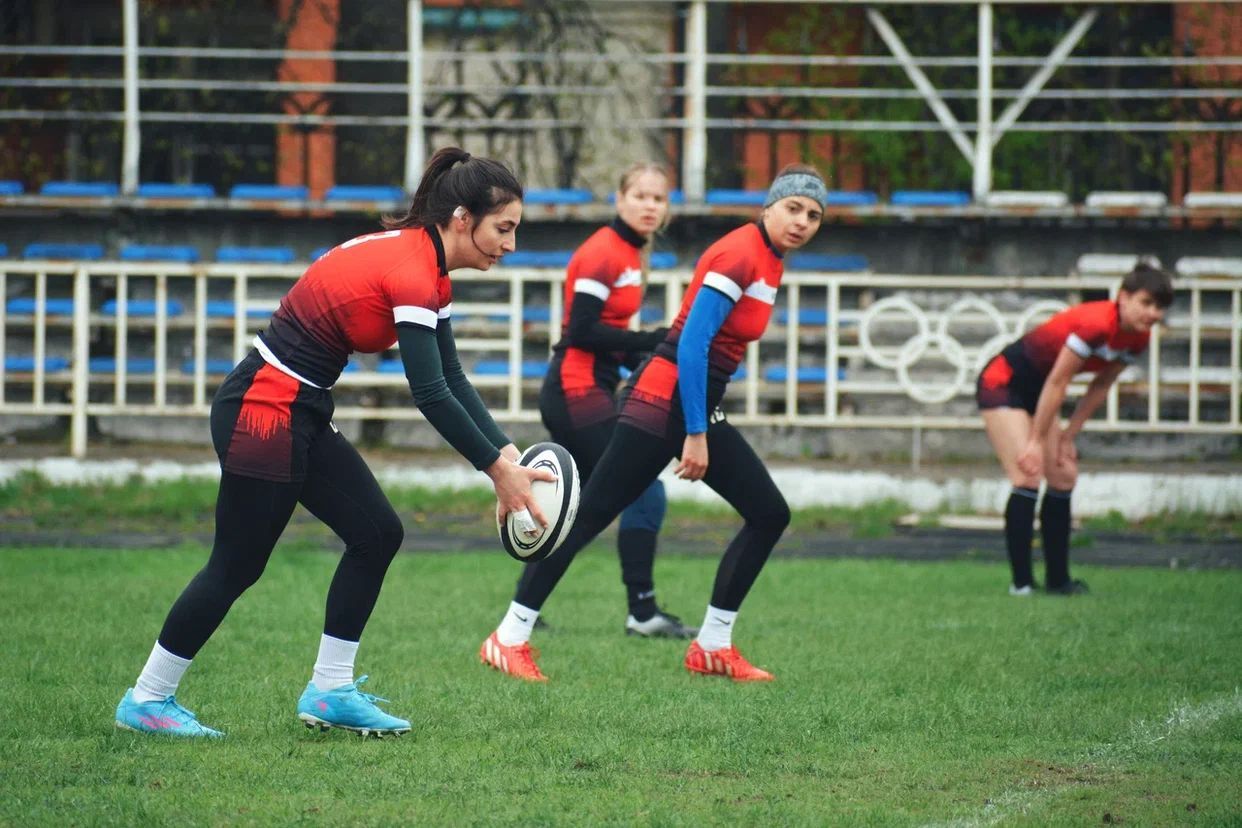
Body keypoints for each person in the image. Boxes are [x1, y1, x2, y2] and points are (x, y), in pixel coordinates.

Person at [115, 147, 552, 737]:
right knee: (237, 564)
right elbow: (429, 394)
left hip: (300, 406)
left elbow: (452, 377)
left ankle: (330, 690)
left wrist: (508, 456)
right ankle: (148, 698)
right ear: (461, 219)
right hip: (264, 408)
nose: (511, 245)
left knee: (377, 533)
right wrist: (497, 472)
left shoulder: (429, 269)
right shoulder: (413, 270)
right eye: (503, 228)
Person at [479, 163, 828, 682]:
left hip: (689, 399)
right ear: (769, 207)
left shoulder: (770, 258)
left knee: (768, 513)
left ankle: (712, 646)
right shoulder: (740, 252)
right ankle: (509, 637)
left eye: (813, 215)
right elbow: (690, 343)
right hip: (664, 401)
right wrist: (695, 432)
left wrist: (698, 421)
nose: (801, 221)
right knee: (589, 514)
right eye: (792, 208)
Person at [516, 162, 695, 639]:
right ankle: (642, 613)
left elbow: (609, 339)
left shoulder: (632, 254)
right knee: (642, 490)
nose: (649, 205)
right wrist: (654, 340)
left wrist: (648, 357)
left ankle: (525, 608)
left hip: (589, 390)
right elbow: (581, 331)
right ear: (619, 199)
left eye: (658, 198)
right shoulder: (604, 251)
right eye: (640, 196)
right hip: (575, 392)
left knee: (581, 505)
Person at [976, 262, 1174, 596]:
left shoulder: (1138, 338)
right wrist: (1036, 441)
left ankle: (1058, 581)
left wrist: (1069, 436)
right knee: (1027, 474)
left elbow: (1101, 385)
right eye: (1146, 303)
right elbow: (1058, 381)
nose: (1153, 313)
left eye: (1160, 307)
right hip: (1004, 383)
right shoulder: (1096, 324)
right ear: (1123, 297)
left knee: (1064, 475)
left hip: (1040, 391)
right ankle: (1021, 584)